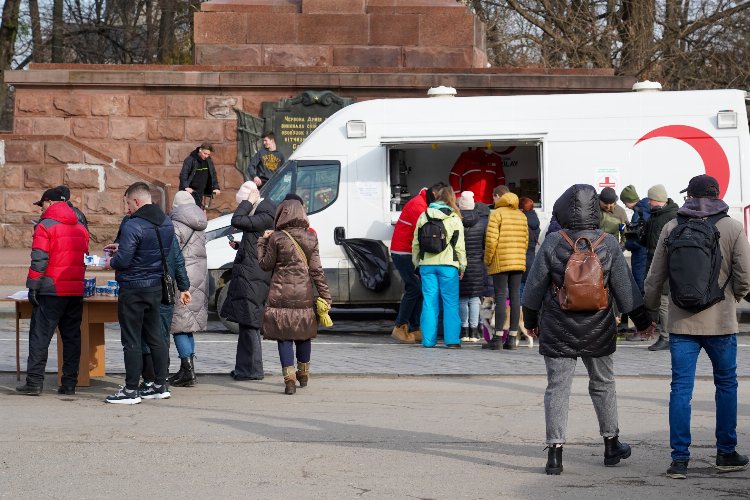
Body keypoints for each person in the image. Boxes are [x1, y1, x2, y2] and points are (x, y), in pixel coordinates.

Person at [521, 184, 656, 475]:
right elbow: (625, 288)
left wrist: (531, 321)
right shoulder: (608, 242)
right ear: (595, 209)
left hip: (557, 326)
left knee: (557, 388)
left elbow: (533, 288)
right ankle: (611, 445)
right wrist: (643, 322)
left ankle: (555, 454)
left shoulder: (554, 241)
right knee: (603, 384)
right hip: (599, 326)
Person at [643, 174, 750, 479]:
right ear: (717, 195)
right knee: (726, 386)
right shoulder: (732, 227)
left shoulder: (672, 226)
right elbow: (745, 277)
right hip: (722, 321)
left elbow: (655, 278)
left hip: (681, 322)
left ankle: (679, 460)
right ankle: (726, 454)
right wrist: (731, 298)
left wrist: (650, 311)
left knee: (680, 389)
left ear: (689, 195)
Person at [103, 182, 175, 404]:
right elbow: (153, 250)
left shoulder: (133, 225)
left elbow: (124, 260)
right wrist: (123, 248)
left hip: (133, 288)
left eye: (127, 203)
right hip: (155, 286)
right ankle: (159, 385)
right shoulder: (166, 222)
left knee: (132, 339)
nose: (127, 209)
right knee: (156, 337)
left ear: (136, 201)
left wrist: (111, 261)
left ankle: (131, 389)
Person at [16, 187, 89, 396]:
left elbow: (39, 260)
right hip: (75, 290)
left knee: (40, 336)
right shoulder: (81, 227)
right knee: (72, 338)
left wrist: (33, 287)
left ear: (49, 203)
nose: (41, 209)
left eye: (42, 204)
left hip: (51, 289)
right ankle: (69, 383)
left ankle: (34, 382)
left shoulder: (45, 226)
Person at [257, 197, 332, 394]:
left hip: (280, 292)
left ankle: (289, 380)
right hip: (303, 293)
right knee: (303, 334)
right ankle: (304, 374)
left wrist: (262, 241)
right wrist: (326, 296)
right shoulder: (311, 237)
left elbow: (265, 265)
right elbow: (317, 271)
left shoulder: (276, 238)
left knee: (284, 337)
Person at [220, 181, 276, 381]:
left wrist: (247, 202)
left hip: (255, 276)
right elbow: (254, 240)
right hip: (250, 274)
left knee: (250, 323)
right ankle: (245, 368)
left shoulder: (266, 212)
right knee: (247, 323)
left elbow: (237, 220)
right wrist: (240, 245)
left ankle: (252, 370)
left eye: (243, 203)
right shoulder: (260, 214)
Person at [389, 181, 446, 344]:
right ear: (436, 194)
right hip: (403, 252)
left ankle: (414, 327)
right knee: (414, 288)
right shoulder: (418, 206)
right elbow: (426, 230)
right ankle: (400, 326)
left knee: (418, 289)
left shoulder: (422, 202)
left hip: (408, 252)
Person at [411, 185, 467, 348]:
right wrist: (462, 266)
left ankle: (428, 341)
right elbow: (459, 246)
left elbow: (416, 243)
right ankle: (452, 341)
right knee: (450, 303)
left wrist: (417, 264)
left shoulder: (424, 215)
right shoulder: (454, 218)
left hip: (427, 265)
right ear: (451, 199)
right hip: (448, 266)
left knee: (429, 302)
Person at [628, 184, 679, 350]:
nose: (648, 202)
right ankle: (655, 333)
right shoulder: (656, 216)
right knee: (653, 300)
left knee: (663, 301)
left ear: (658, 199)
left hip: (665, 266)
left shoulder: (672, 217)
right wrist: (639, 234)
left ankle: (666, 337)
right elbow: (647, 243)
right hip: (653, 263)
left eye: (651, 199)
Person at [141, 230, 190, 392]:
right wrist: (184, 287)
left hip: (144, 288)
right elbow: (178, 260)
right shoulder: (167, 230)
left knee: (145, 334)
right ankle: (161, 379)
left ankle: (149, 379)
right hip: (165, 289)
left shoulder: (135, 226)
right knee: (161, 334)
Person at [167, 190, 207, 387]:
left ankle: (187, 370)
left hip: (182, 278)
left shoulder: (175, 224)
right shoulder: (201, 224)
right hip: (199, 277)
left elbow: (172, 253)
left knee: (180, 325)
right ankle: (188, 368)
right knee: (188, 324)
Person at [483, 185, 528, 350]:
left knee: (501, 297)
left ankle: (498, 339)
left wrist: (488, 260)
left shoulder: (496, 214)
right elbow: (525, 241)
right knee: (516, 297)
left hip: (500, 262)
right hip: (518, 261)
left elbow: (491, 241)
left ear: (498, 197)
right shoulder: (521, 215)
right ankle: (513, 339)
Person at [618, 185, 650, 334]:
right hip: (648, 254)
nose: (625, 205)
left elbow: (637, 238)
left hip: (641, 256)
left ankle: (643, 326)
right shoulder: (647, 208)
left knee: (639, 288)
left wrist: (627, 243)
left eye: (625, 202)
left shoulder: (640, 213)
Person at [457, 191, 487, 343]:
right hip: (477, 264)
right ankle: (475, 332)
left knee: (462, 298)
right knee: (475, 298)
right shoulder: (482, 222)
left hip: (460, 263)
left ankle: (464, 330)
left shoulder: (455, 220)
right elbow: (485, 244)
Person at [179, 142, 221, 208]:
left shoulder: (208, 161)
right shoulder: (190, 160)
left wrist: (216, 187)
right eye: (205, 153)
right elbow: (183, 174)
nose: (206, 156)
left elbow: (213, 174)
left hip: (200, 193)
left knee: (199, 211)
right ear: (200, 150)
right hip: (190, 192)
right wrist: (186, 187)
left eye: (208, 154)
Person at [518, 196, 540, 300]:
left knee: (519, 287)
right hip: (531, 257)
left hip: (521, 258)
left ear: (521, 208)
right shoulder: (535, 219)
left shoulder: (521, 221)